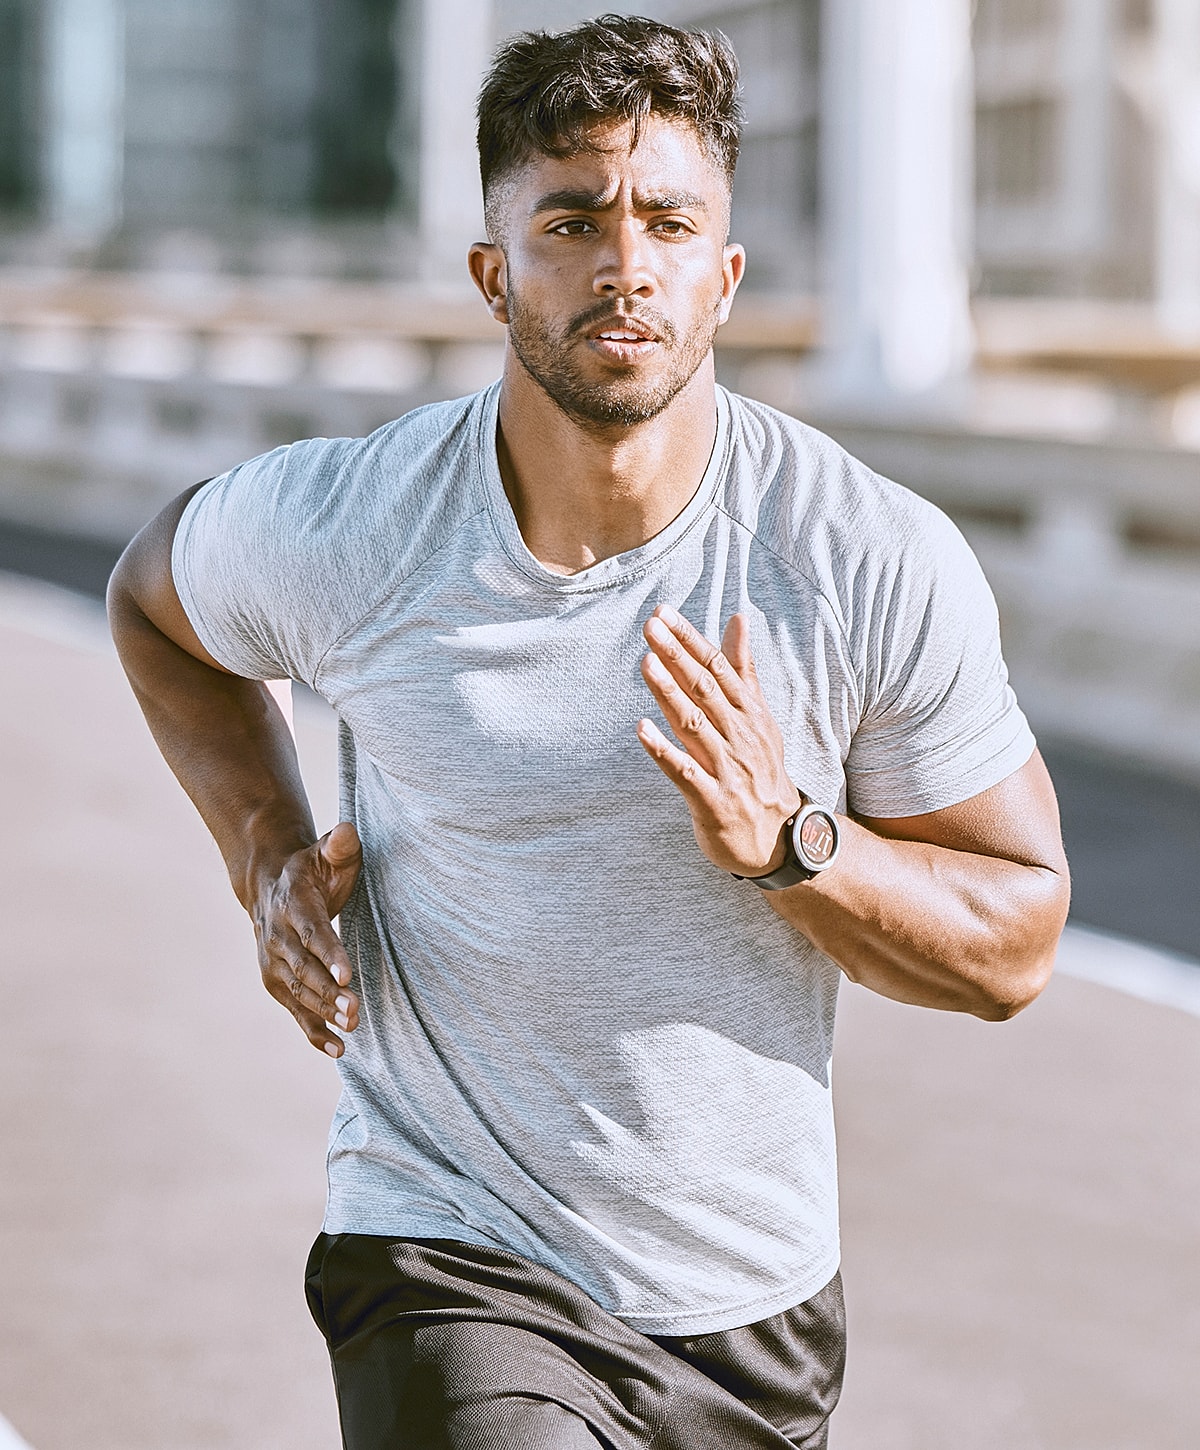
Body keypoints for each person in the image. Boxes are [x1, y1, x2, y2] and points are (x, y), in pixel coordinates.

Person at [108, 14, 1070, 1449]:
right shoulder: (360, 524)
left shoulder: (861, 556)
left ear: (723, 276)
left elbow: (1017, 938)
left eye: (668, 223)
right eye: (572, 222)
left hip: (749, 1309)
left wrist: (793, 841)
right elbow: (154, 600)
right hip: (449, 1244)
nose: (626, 265)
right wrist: (266, 856)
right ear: (494, 272)